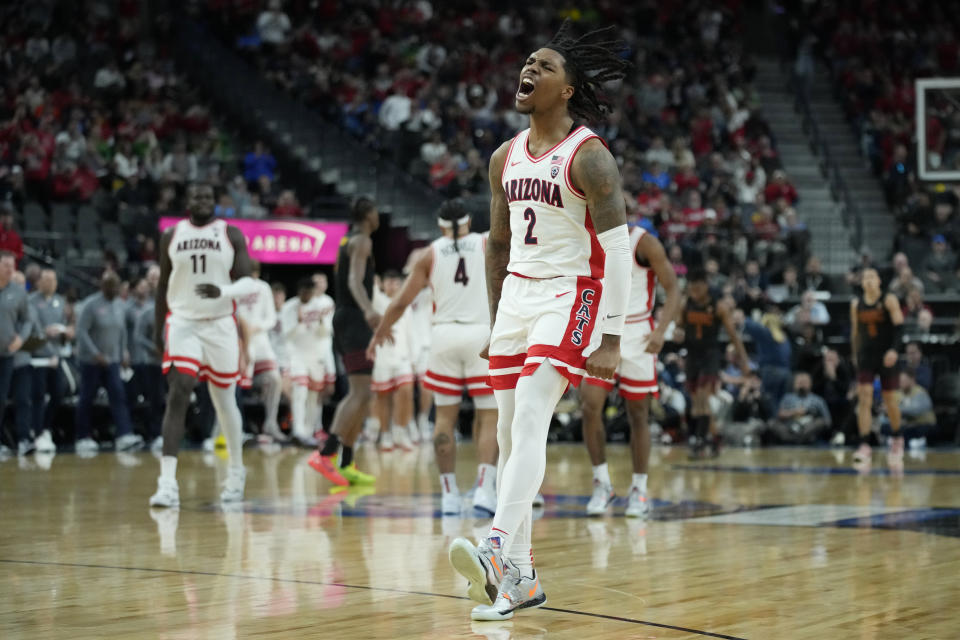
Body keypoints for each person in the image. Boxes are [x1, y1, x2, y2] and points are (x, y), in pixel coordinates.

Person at [446, 21, 632, 621]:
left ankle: (496, 549)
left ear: (568, 89)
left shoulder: (590, 155)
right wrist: (498, 323)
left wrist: (609, 335)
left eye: (544, 66)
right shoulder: (504, 155)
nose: (529, 69)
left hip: (572, 293)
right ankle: (522, 580)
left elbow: (619, 248)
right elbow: (496, 246)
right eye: (527, 61)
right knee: (506, 436)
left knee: (530, 415)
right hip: (519, 300)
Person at [367, 200, 499, 515]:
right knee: (489, 417)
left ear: (440, 225)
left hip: (443, 337)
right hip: (481, 334)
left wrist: (380, 332)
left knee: (443, 418)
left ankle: (450, 494)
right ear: (469, 221)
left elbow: (400, 302)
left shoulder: (430, 253)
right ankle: (484, 489)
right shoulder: (486, 242)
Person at [149, 182, 257, 508]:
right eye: (196, 195)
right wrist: (158, 330)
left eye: (208, 196)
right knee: (179, 388)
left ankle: (236, 472)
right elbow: (163, 286)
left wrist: (222, 292)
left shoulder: (231, 234)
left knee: (224, 401)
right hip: (183, 323)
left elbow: (248, 281)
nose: (202, 200)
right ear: (188, 200)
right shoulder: (171, 235)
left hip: (221, 323)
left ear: (215, 201)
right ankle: (167, 483)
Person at [579, 222, 681, 517]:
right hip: (599, 331)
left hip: (637, 333)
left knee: (639, 415)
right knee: (589, 406)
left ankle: (639, 489)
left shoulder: (643, 242)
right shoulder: (586, 237)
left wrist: (662, 331)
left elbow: (673, 287)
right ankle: (602, 484)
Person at [309, 197, 380, 486]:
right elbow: (353, 281)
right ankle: (326, 454)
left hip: (344, 318)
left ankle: (348, 461)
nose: (379, 217)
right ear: (367, 214)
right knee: (360, 393)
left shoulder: (345, 240)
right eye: (376, 212)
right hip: (354, 319)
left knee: (363, 392)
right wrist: (369, 310)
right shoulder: (362, 240)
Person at [74, 270, 144, 455]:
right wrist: (95, 354)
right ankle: (83, 437)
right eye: (110, 286)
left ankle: (124, 435)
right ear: (102, 286)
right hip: (91, 361)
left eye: (116, 286)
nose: (113, 289)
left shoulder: (120, 305)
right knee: (86, 397)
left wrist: (123, 352)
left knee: (118, 395)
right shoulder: (90, 305)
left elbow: (122, 332)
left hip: (112, 360)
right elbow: (81, 331)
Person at [850, 268, 905, 469]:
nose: (869, 280)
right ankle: (864, 444)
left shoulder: (889, 300)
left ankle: (898, 438)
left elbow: (900, 328)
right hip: (866, 356)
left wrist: (894, 350)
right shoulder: (856, 304)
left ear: (879, 280)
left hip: (886, 356)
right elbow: (855, 333)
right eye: (865, 277)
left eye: (872, 277)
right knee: (864, 397)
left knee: (890, 399)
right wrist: (854, 355)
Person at [282, 277, 335, 446]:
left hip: (316, 355)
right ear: (299, 292)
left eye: (309, 292)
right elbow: (286, 335)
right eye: (303, 292)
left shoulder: (322, 306)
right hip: (297, 355)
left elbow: (327, 333)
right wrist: (298, 322)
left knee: (314, 396)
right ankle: (297, 431)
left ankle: (308, 431)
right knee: (300, 392)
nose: (306, 295)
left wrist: (320, 321)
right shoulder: (290, 307)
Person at [368, 271, 417, 451]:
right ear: (383, 284)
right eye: (389, 281)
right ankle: (386, 434)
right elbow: (370, 288)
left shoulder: (407, 305)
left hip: (403, 355)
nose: (392, 285)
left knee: (406, 392)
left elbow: (411, 333)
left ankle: (400, 431)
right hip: (382, 356)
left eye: (396, 282)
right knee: (383, 397)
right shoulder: (378, 301)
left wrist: (413, 358)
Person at [236, 260, 285, 442]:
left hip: (260, 340)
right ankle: (234, 429)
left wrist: (255, 328)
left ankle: (270, 424)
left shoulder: (263, 288)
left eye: (254, 272)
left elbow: (271, 318)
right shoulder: (235, 287)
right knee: (237, 386)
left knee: (274, 379)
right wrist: (244, 330)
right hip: (239, 341)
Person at [29, 268, 73, 454]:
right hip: (37, 358)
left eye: (53, 280)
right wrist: (46, 338)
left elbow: (65, 327)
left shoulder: (60, 302)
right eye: (46, 279)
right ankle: (37, 433)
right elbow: (33, 329)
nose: (50, 283)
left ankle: (45, 428)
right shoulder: (31, 301)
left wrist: (67, 332)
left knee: (58, 392)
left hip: (56, 357)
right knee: (38, 396)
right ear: (39, 282)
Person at [771, 372, 831, 444]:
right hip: (790, 427)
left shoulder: (818, 400)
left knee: (820, 422)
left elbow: (827, 420)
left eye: (804, 382)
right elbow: (779, 415)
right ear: (794, 384)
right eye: (799, 382)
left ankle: (798, 439)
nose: (802, 385)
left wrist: (812, 415)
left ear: (810, 384)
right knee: (772, 423)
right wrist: (794, 412)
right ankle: (796, 439)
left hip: (808, 428)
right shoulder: (787, 398)